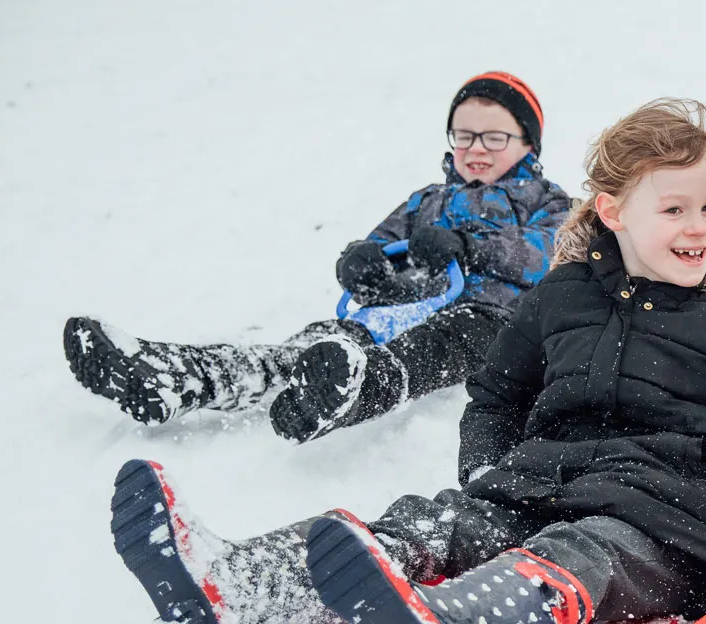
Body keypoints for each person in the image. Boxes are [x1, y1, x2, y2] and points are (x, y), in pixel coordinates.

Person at [107, 98, 706, 624]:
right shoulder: (560, 299)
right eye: (675, 209)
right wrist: (486, 471)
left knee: (582, 551)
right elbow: (495, 396)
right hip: (536, 492)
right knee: (429, 526)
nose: (700, 227)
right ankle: (234, 587)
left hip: (662, 529)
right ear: (614, 213)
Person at [66, 72, 571, 442]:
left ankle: (351, 392)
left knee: (434, 348)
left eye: (494, 137)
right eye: (464, 136)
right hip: (394, 306)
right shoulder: (427, 200)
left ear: (528, 142)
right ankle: (177, 377)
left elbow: (545, 253)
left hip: (487, 317)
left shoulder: (546, 200)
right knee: (312, 347)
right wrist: (362, 261)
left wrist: (471, 247)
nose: (475, 149)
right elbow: (382, 238)